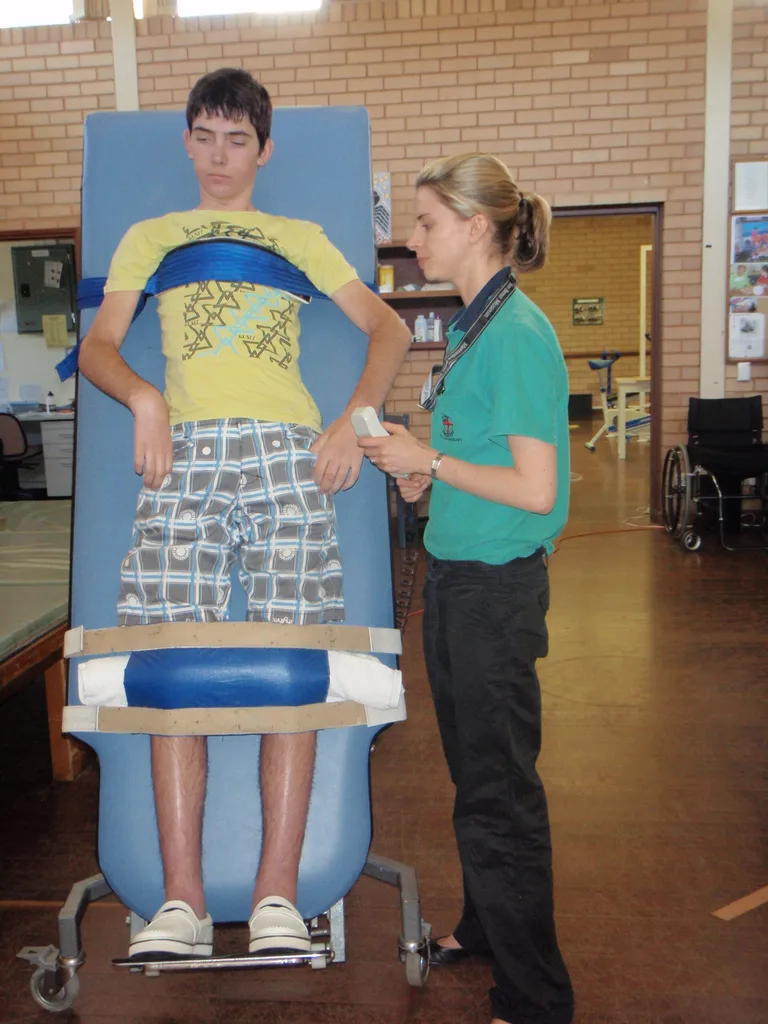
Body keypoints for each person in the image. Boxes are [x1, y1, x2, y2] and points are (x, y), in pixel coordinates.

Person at [78, 67, 410, 960]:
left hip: (284, 453)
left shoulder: (299, 236)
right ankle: (179, 902)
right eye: (206, 136)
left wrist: (353, 419)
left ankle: (277, 895)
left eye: (239, 140)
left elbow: (390, 328)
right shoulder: (151, 236)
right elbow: (99, 346)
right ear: (187, 141)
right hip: (183, 453)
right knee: (167, 660)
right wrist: (146, 402)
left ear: (263, 150)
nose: (221, 156)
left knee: (296, 661)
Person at [358, 153, 574, 1024]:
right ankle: (486, 927)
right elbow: (483, 459)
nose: (413, 243)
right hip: (457, 581)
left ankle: (535, 997)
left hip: (494, 595)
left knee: (500, 793)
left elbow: (537, 489)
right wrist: (426, 478)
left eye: (426, 225)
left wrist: (431, 460)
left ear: (477, 228)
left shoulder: (517, 334)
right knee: (476, 778)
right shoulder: (471, 327)